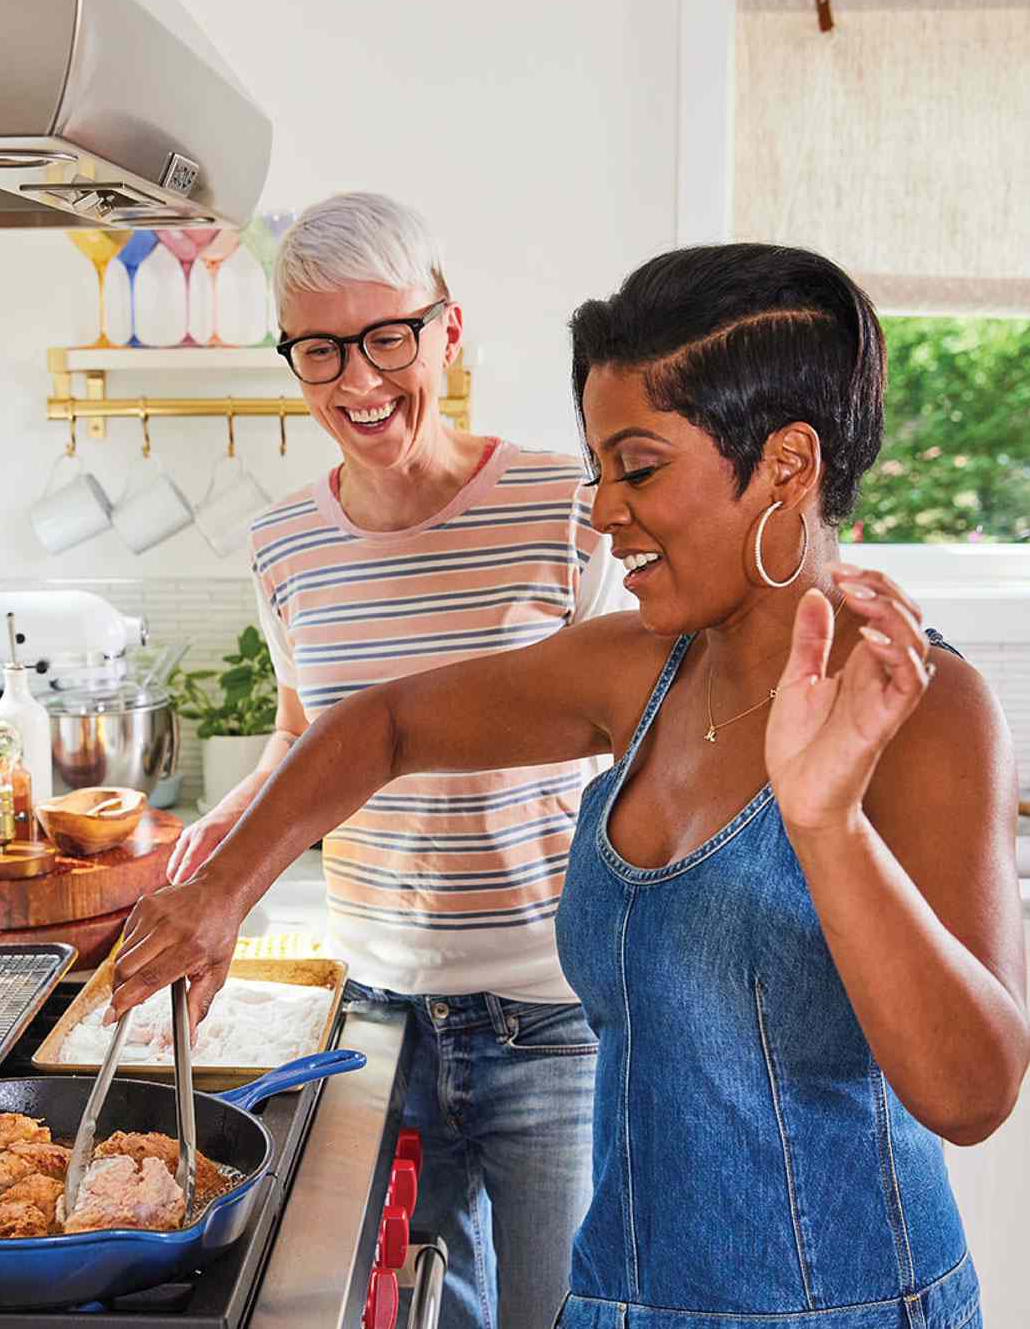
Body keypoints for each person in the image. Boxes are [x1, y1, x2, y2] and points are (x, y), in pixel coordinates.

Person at [118, 242, 1027, 1328]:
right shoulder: (635, 670)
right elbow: (385, 722)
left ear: (785, 465)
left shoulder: (924, 707)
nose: (602, 512)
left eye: (637, 468)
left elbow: (971, 1094)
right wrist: (221, 890)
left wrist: (824, 821)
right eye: (600, 470)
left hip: (846, 1305)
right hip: (620, 1296)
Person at [163, 191, 627, 1329]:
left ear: (445, 330)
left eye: (387, 338)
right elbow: (298, 731)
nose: (358, 383)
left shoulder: (565, 510)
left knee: (563, 1316)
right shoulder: (281, 546)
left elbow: (631, 735)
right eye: (320, 349)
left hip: (550, 1013)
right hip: (372, 1016)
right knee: (411, 1312)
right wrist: (219, 844)